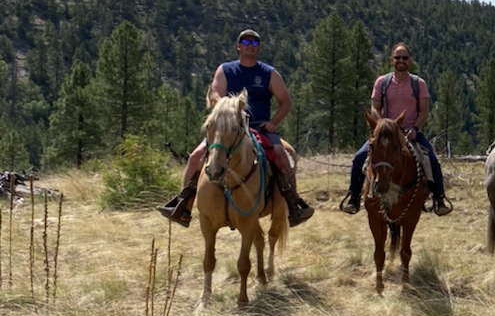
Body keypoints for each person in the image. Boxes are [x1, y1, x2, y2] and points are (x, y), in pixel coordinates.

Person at [158, 28, 315, 227]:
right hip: (229, 128)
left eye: (255, 44)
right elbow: (215, 95)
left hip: (260, 127)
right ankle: (183, 205)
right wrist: (229, 111)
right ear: (238, 46)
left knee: (282, 155)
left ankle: (293, 203)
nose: (250, 47)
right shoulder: (225, 70)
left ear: (259, 48)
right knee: (195, 156)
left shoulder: (269, 73)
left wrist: (273, 123)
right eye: (246, 43)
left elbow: (286, 101)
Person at [340, 42, 451, 216]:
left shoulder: (418, 83)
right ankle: (354, 197)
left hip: (410, 132)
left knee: (431, 159)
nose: (401, 60)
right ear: (392, 59)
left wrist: (415, 128)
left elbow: (424, 111)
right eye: (398, 57)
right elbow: (375, 107)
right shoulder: (382, 82)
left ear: (410, 61)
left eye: (404, 58)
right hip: (385, 132)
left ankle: (439, 198)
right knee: (359, 157)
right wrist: (382, 125)